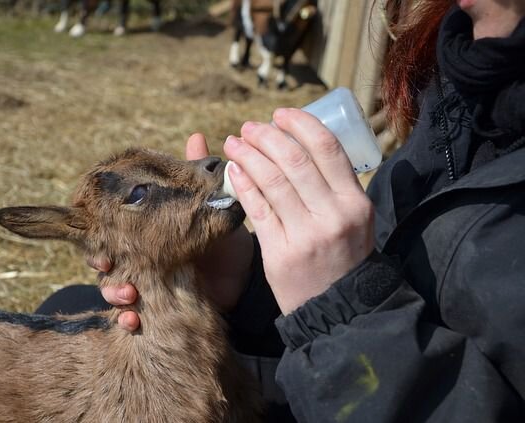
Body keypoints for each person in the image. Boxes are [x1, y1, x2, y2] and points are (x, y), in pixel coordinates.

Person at [42, 0, 525, 421]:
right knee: (66, 306)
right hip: (350, 377)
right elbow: (401, 274)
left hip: (370, 385)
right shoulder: (472, 82)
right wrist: (253, 286)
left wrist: (341, 311)